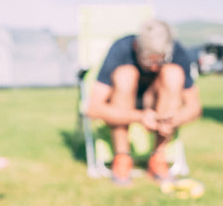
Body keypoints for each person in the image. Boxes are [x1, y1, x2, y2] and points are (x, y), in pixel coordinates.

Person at [85, 19, 202, 185]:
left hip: (156, 101)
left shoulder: (177, 51)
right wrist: (139, 116)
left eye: (160, 60)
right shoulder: (121, 48)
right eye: (148, 60)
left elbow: (194, 107)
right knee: (126, 74)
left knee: (173, 73)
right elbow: (93, 109)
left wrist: (175, 118)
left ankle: (158, 158)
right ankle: (122, 158)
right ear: (136, 48)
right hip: (124, 104)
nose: (154, 67)